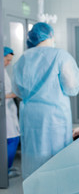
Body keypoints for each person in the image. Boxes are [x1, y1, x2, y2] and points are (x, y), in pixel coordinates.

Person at [12, 22, 79, 179]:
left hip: (30, 115)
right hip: (54, 115)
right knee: (56, 157)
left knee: (34, 155)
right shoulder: (60, 55)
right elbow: (71, 86)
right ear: (50, 35)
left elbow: (17, 90)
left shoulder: (24, 57)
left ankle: (34, 188)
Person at [3, 47, 20, 178]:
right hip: (5, 112)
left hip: (9, 110)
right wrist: (13, 94)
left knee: (13, 138)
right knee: (12, 139)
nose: (9, 63)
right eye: (7, 60)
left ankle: (6, 167)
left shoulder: (3, 71)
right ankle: (5, 169)